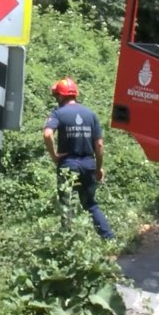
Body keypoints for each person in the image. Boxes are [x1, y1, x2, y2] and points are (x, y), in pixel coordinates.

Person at [43, 77, 115, 240]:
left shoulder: (58, 114)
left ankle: (67, 241)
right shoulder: (90, 114)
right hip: (88, 164)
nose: (56, 99)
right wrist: (99, 168)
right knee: (91, 204)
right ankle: (109, 238)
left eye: (56, 96)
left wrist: (54, 155)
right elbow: (99, 145)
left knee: (66, 205)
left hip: (68, 165)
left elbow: (47, 134)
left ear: (61, 96)